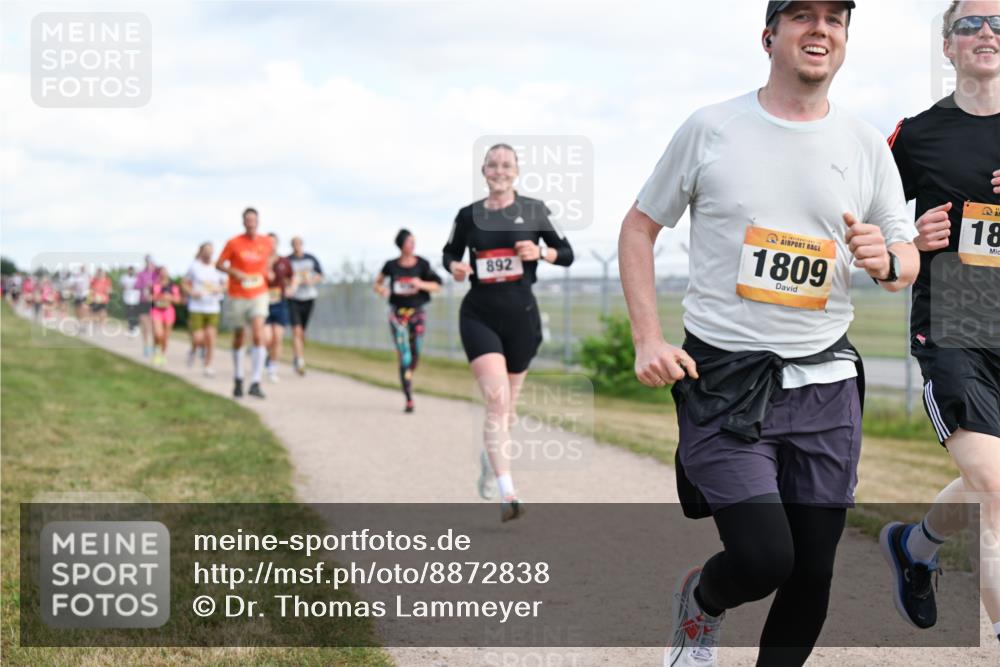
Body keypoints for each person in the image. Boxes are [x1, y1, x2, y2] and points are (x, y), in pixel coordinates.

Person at [617, 3, 921, 665]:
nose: (821, 29)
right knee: (764, 557)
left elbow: (903, 254)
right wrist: (648, 336)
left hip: (826, 385)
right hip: (724, 379)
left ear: (845, 39)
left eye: (836, 18)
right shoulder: (712, 128)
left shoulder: (865, 143)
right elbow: (639, 226)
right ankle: (702, 600)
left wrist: (888, 259)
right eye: (802, 15)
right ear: (769, 36)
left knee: (812, 571)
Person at [878, 0, 1000, 643]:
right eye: (970, 24)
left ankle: (914, 547)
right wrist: (911, 239)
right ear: (948, 46)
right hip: (954, 324)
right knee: (995, 489)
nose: (987, 33)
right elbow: (867, 225)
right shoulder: (916, 133)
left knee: (991, 480)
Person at [443, 143, 574, 522]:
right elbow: (448, 253)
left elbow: (566, 253)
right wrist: (455, 267)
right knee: (497, 403)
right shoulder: (469, 215)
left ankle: (490, 461)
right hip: (479, 315)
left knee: (508, 412)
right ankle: (507, 490)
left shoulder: (534, 210)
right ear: (484, 171)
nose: (499, 170)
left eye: (506, 165)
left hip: (521, 319)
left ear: (515, 171)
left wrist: (541, 253)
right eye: (493, 165)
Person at [374, 228, 442, 412]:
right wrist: (382, 290)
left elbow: (437, 286)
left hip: (417, 313)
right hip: (398, 315)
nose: (413, 244)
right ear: (401, 245)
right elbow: (377, 283)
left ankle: (409, 373)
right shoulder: (391, 265)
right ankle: (409, 397)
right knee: (404, 355)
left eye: (414, 241)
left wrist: (420, 284)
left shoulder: (422, 264)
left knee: (416, 353)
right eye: (409, 242)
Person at [216, 207, 273, 399]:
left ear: (258, 221)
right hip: (238, 293)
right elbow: (219, 264)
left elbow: (270, 260)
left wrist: (268, 272)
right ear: (243, 222)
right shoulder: (233, 243)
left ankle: (256, 381)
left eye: (253, 220)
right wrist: (235, 273)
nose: (251, 223)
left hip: (259, 292)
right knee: (240, 335)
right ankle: (238, 378)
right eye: (248, 220)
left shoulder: (266, 242)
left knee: (258, 332)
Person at [183, 242, 228, 377]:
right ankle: (194, 350)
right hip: (197, 306)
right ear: (201, 252)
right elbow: (184, 283)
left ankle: (208, 366)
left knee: (211, 337)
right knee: (198, 338)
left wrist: (219, 289)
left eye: (211, 250)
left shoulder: (218, 267)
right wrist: (191, 292)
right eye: (206, 250)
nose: (209, 253)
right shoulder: (194, 266)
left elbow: (226, 284)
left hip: (213, 307)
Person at [286, 236, 324, 375]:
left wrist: (312, 280)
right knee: (296, 330)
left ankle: (297, 355)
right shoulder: (288, 260)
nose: (296, 246)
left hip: (309, 297)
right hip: (293, 298)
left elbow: (320, 274)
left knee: (302, 332)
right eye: (294, 244)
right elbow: (283, 278)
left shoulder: (311, 259)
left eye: (298, 244)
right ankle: (300, 361)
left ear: (302, 244)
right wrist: (290, 284)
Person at [264, 232, 294, 383]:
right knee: (268, 339)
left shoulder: (284, 261)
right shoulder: (261, 261)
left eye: (273, 242)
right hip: (263, 303)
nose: (271, 245)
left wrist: (291, 288)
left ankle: (273, 368)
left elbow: (291, 278)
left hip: (280, 303)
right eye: (268, 242)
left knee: (278, 338)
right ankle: (269, 356)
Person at [149, 267, 181, 367]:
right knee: (158, 334)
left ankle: (161, 355)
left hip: (168, 312)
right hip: (156, 311)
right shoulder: (154, 285)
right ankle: (156, 352)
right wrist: (158, 296)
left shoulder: (173, 286)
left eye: (165, 272)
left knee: (165, 337)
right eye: (161, 272)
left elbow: (178, 300)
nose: (163, 274)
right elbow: (148, 297)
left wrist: (170, 297)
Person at [135, 256, 159, 357]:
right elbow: (136, 285)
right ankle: (146, 346)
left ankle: (154, 346)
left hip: (154, 301)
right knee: (145, 325)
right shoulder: (141, 274)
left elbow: (160, 286)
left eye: (151, 262)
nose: (149, 264)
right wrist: (144, 285)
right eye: (148, 262)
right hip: (143, 301)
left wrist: (152, 285)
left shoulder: (157, 274)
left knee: (154, 325)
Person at [119, 266, 141, 336]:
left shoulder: (137, 278)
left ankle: (135, 327)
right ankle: (131, 327)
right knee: (128, 313)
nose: (131, 272)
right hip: (127, 298)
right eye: (130, 270)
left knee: (134, 313)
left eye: (132, 271)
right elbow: (121, 286)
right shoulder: (124, 277)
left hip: (135, 298)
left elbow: (140, 286)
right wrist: (124, 287)